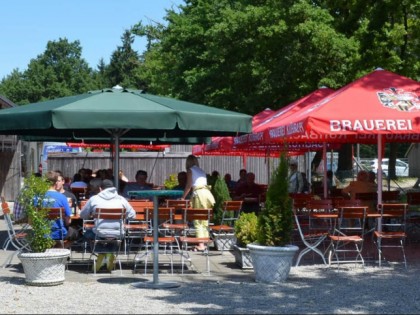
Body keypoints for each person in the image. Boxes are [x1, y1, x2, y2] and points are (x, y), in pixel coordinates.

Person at [79, 179, 135, 272]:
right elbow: (133, 215)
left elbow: (82, 215)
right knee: (113, 237)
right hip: (118, 233)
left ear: (100, 189)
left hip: (99, 233)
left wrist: (92, 214)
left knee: (86, 234)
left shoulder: (94, 199)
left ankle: (101, 253)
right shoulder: (121, 199)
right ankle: (109, 253)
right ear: (113, 188)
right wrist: (122, 216)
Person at [181, 154, 215, 251]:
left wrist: (183, 197)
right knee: (204, 219)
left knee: (198, 219)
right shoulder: (201, 170)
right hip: (207, 194)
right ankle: (204, 242)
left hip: (199, 194)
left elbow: (189, 185)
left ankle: (200, 244)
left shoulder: (190, 170)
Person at [43, 171, 79, 244]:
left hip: (41, 232)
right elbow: (68, 221)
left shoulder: (37, 197)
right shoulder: (62, 197)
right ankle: (61, 248)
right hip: (59, 232)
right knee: (75, 232)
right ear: (55, 183)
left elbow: (31, 220)